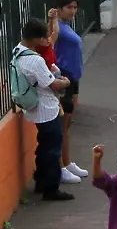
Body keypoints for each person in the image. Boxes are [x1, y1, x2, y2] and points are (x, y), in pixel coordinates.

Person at [13, 17, 72, 201]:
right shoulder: (35, 60)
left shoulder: (18, 51)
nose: (47, 40)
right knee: (52, 148)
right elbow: (52, 84)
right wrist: (66, 82)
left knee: (44, 145)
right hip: (45, 108)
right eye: (44, 37)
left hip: (33, 107)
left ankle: (40, 180)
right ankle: (51, 188)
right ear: (36, 39)